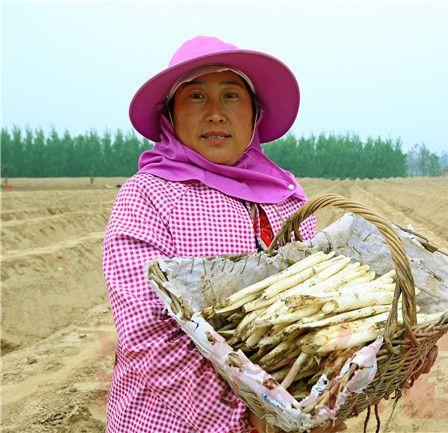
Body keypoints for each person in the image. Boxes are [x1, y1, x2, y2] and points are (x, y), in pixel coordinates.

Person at [102, 35, 345, 433]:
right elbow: (149, 336)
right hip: (172, 420)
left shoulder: (286, 196)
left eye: (231, 95)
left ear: (254, 114)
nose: (215, 113)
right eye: (196, 97)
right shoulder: (147, 196)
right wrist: (246, 418)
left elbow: (311, 312)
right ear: (170, 116)